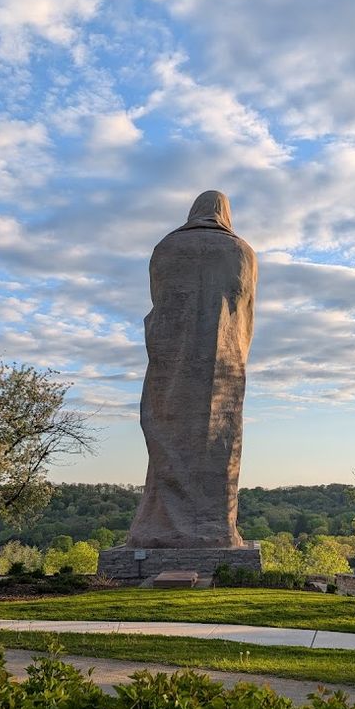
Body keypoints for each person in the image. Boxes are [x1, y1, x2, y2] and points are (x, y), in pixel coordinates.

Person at [126, 190, 257, 548]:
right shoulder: (240, 252)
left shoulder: (166, 249)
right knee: (217, 440)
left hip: (172, 364)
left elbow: (160, 301)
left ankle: (162, 526)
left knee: (170, 436)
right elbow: (244, 311)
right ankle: (214, 530)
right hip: (221, 365)